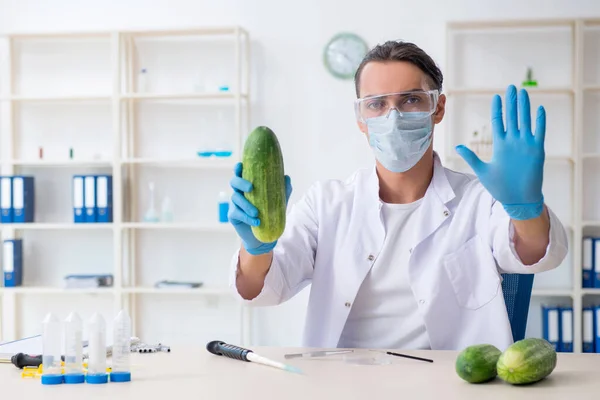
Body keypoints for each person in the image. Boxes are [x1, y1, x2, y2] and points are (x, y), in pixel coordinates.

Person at [226, 40, 568, 351]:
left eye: (411, 99)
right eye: (376, 104)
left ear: (438, 108)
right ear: (361, 118)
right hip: (345, 383)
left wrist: (526, 209)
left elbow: (539, 254)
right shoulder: (327, 204)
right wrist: (257, 247)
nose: (394, 117)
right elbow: (264, 290)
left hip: (452, 384)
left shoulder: (481, 199)